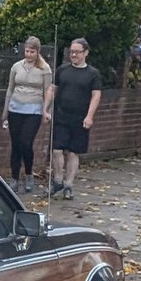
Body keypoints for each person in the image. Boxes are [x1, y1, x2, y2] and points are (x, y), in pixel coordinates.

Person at [43, 38, 101, 200]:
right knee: (56, 150)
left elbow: (96, 96)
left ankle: (69, 184)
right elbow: (51, 90)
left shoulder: (92, 74)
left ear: (86, 53)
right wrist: (45, 109)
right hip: (61, 116)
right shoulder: (62, 70)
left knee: (74, 153)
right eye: (72, 52)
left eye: (77, 52)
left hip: (80, 118)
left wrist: (90, 116)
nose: (73, 55)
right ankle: (57, 180)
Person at [1, 36, 52, 193]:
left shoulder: (45, 69)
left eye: (32, 52)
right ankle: (14, 178)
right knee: (16, 144)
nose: (28, 54)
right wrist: (5, 113)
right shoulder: (16, 66)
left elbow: (48, 91)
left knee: (25, 142)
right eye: (27, 51)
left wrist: (46, 111)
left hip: (33, 110)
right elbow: (10, 89)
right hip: (15, 108)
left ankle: (29, 174)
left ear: (38, 52)